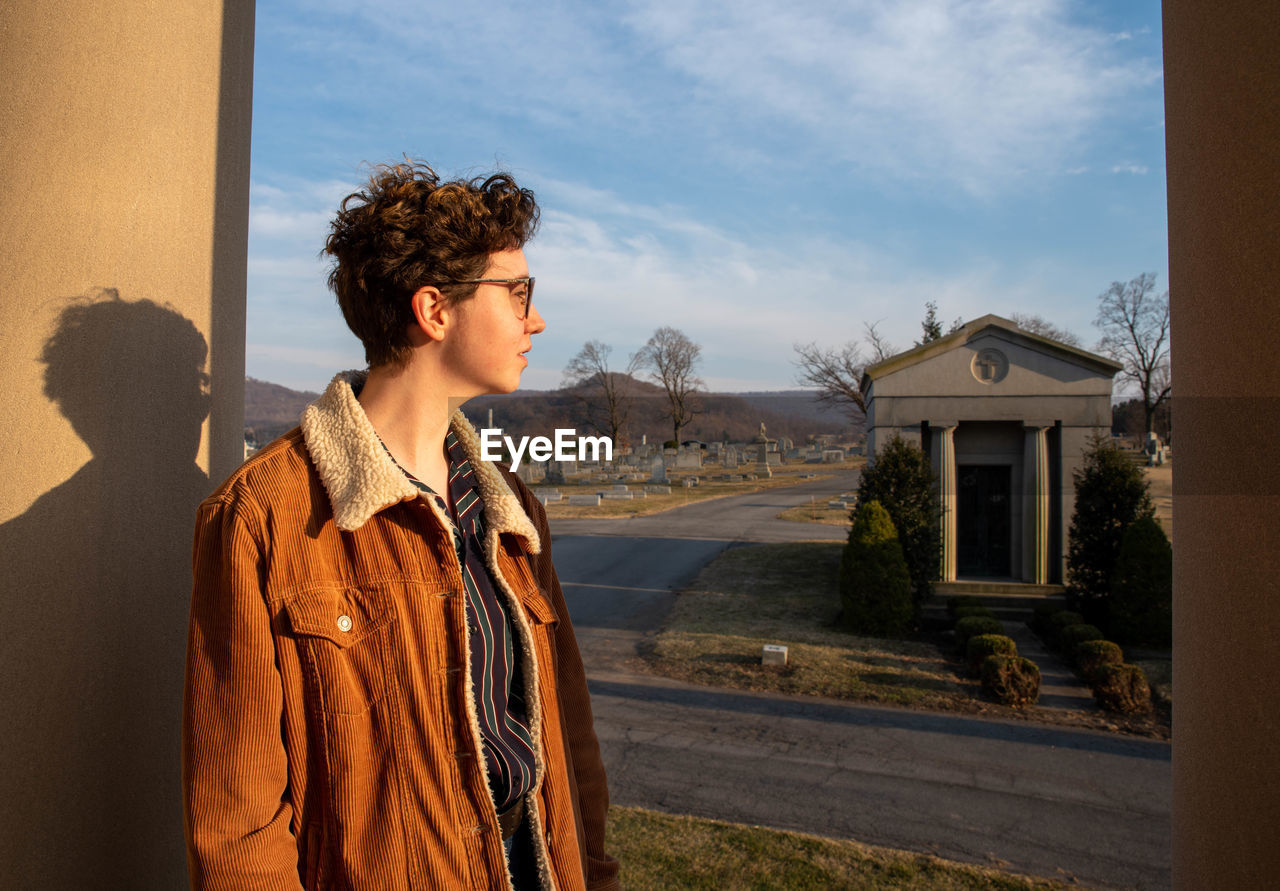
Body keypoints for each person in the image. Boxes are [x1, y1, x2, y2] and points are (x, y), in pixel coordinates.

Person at [183, 161, 620, 890]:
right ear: (435, 310)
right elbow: (238, 822)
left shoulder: (510, 508)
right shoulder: (263, 516)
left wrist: (596, 873)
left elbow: (571, 740)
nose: (534, 318)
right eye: (517, 293)